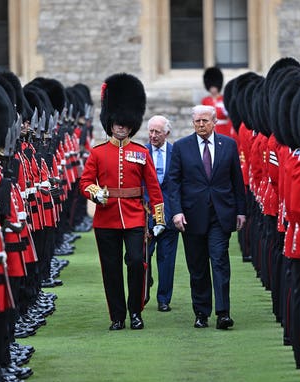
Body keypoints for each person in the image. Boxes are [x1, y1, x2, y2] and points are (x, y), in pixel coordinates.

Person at [80, 73, 165, 331]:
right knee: (111, 268)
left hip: (134, 217)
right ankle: (117, 316)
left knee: (137, 263)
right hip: (106, 219)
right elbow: (85, 182)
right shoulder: (97, 153)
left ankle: (135, 312)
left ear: (131, 125)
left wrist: (158, 219)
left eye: (125, 124)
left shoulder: (140, 153)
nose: (120, 127)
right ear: (111, 123)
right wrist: (97, 193)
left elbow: (153, 188)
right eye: (117, 123)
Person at [169, 104, 246, 329]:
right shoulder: (181, 147)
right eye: (197, 121)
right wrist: (177, 211)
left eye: (205, 121)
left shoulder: (229, 145)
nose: (201, 125)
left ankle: (223, 313)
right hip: (192, 216)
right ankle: (201, 312)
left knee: (220, 261)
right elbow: (173, 184)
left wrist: (241, 211)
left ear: (214, 122)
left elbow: (237, 181)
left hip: (220, 215)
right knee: (198, 266)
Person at [145, 115, 179, 312]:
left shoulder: (176, 153)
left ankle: (164, 298)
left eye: (157, 132)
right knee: (143, 257)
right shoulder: (141, 153)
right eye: (151, 131)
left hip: (168, 214)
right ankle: (144, 287)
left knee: (167, 260)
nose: (153, 135)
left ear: (167, 133)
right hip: (146, 213)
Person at [201, 66, 233, 137]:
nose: (213, 90)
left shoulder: (224, 99)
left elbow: (229, 118)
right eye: (211, 87)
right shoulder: (205, 100)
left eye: (214, 87)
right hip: (209, 130)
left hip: (224, 129)